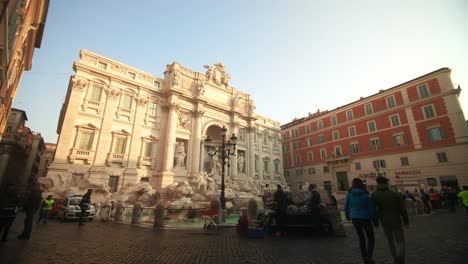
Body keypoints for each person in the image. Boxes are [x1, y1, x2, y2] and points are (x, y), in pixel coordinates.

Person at [371, 177, 409, 264]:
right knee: (400, 240)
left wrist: (375, 221)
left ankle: (395, 257)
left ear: (377, 183)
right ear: (387, 183)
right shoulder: (394, 194)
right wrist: (406, 220)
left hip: (384, 220)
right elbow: (402, 209)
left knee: (390, 240)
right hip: (396, 219)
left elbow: (373, 210)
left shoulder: (374, 195)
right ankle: (400, 258)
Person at [344, 178, 377, 264]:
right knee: (370, 237)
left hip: (354, 218)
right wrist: (375, 220)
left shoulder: (349, 194)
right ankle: (369, 257)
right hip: (365, 218)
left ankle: (364, 256)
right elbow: (372, 209)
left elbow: (346, 206)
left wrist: (347, 216)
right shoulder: (366, 195)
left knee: (361, 237)